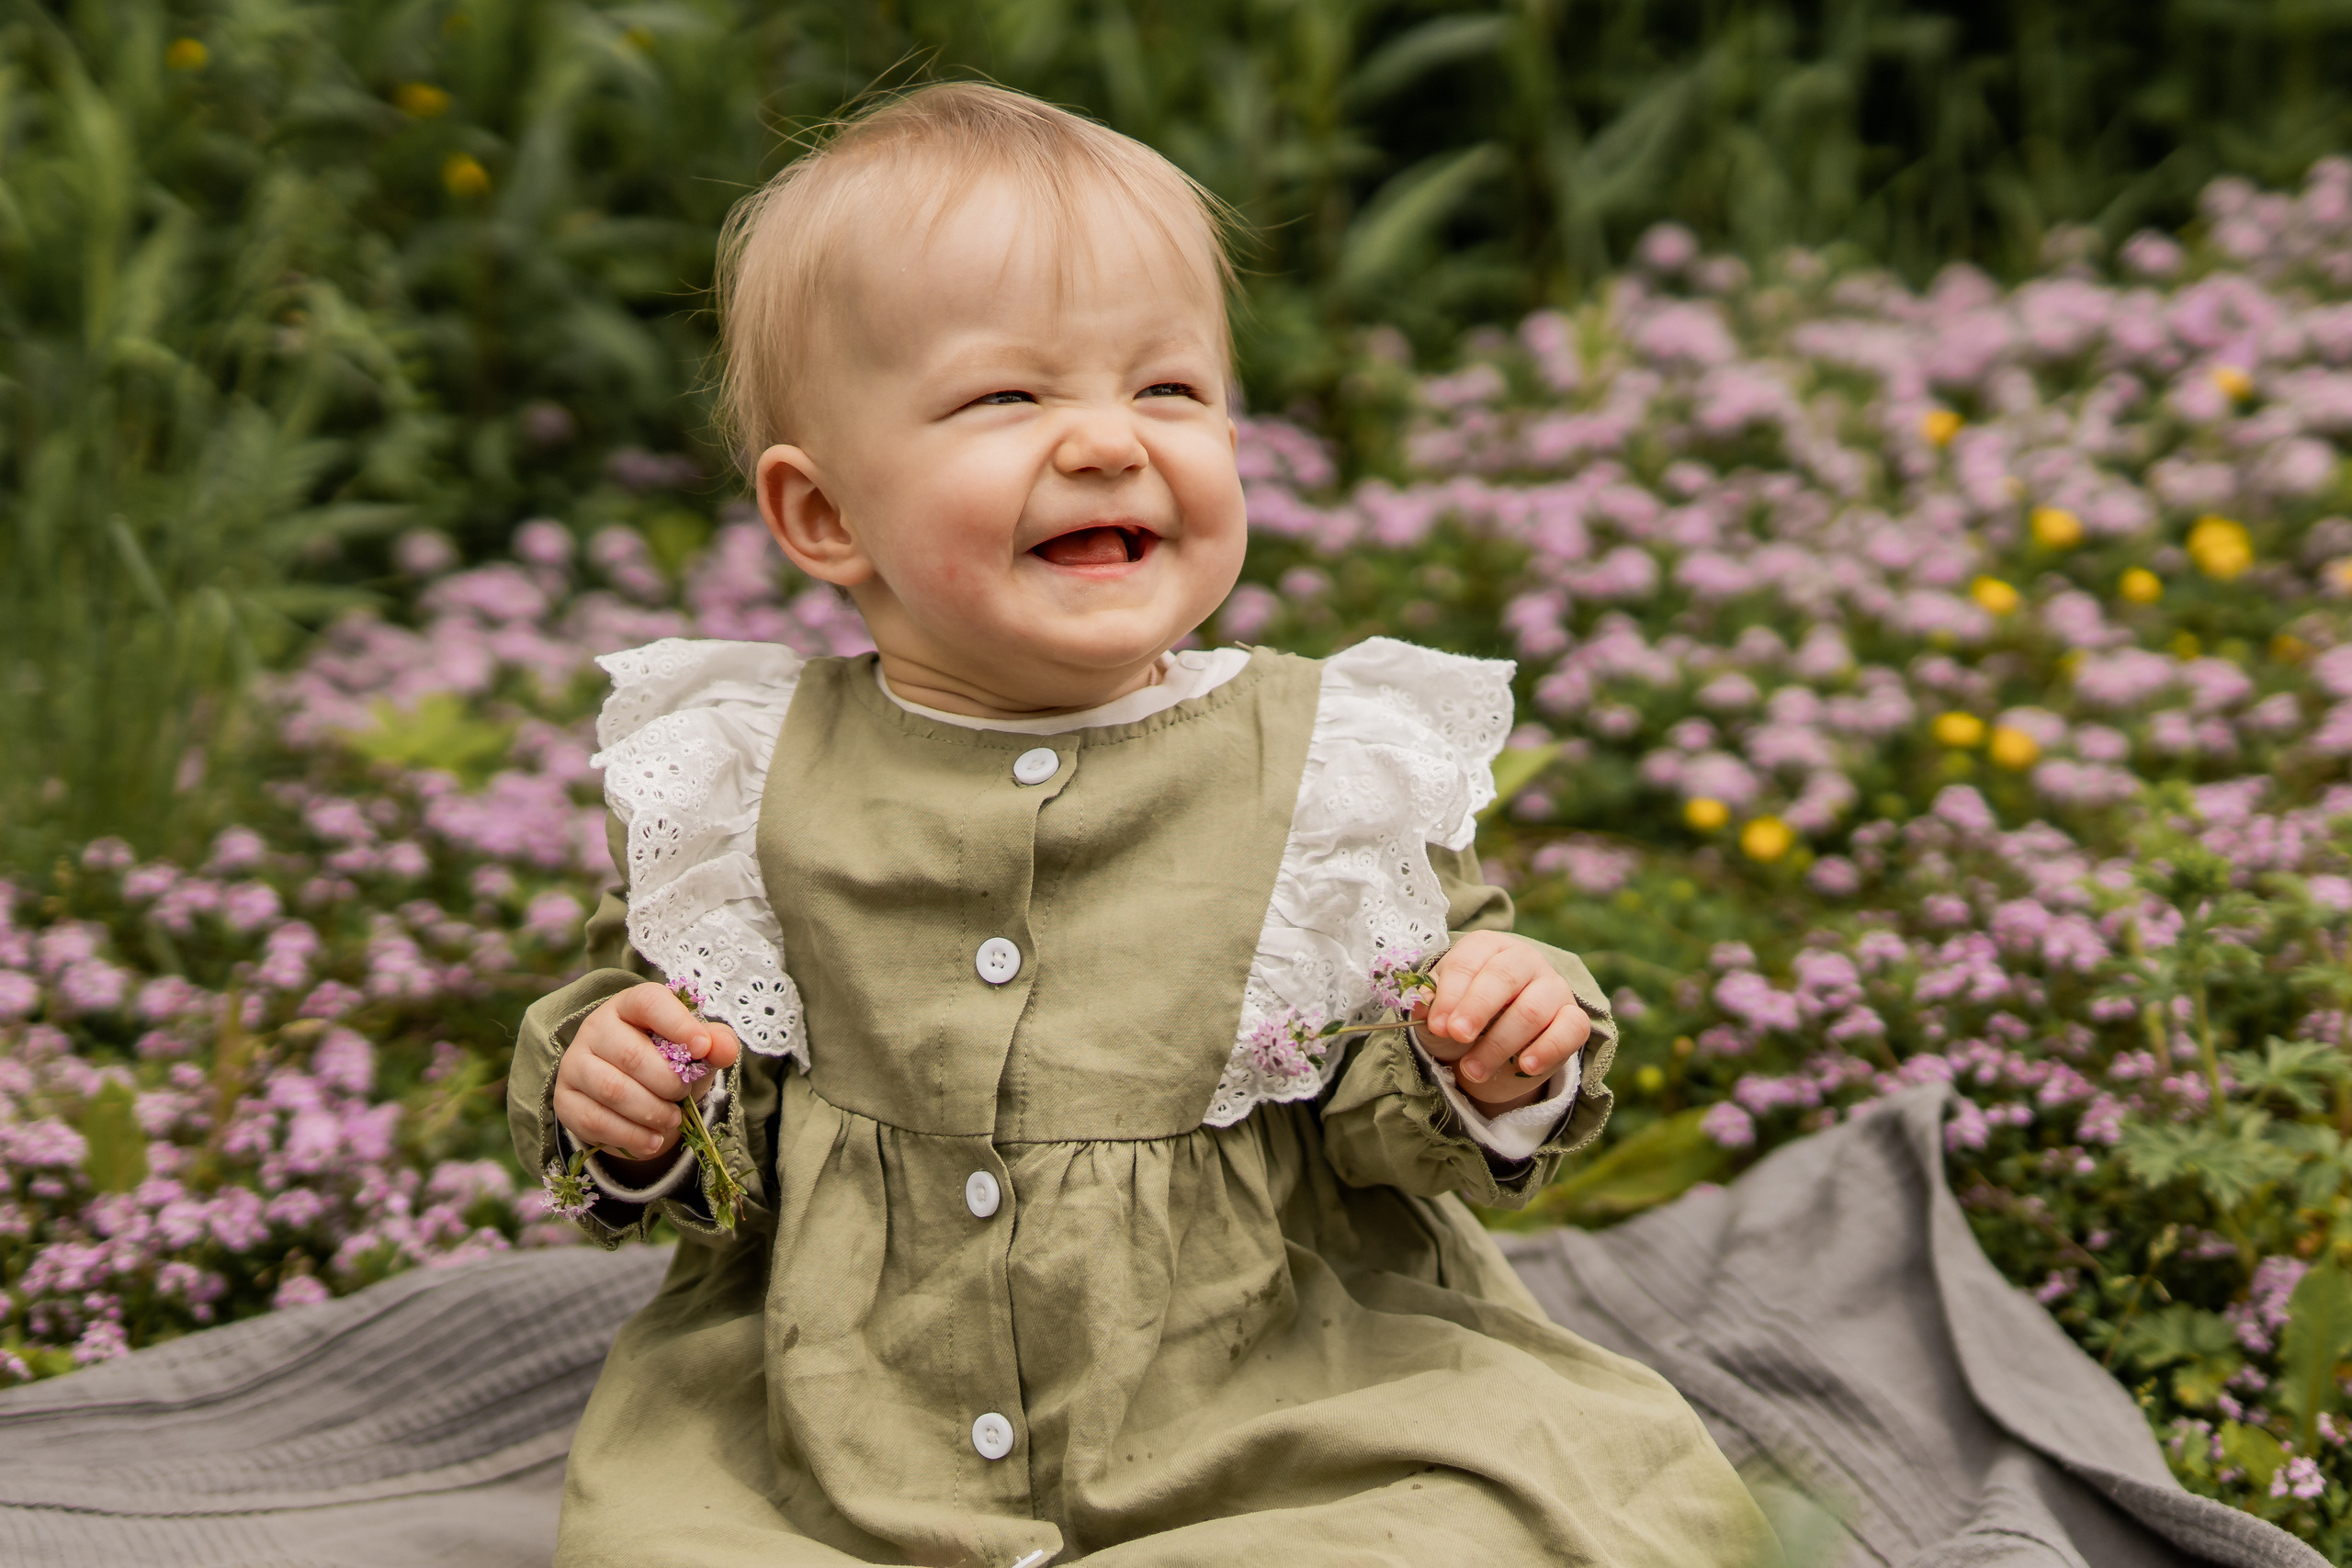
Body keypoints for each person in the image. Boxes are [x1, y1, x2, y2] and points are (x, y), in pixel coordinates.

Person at [509, 81, 1778, 1568]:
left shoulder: (1324, 771)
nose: (1110, 440)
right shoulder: (746, 781)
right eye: (1009, 397)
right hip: (847, 1419)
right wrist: (635, 1093)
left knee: (1487, 1521)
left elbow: (1389, 1114)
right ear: (823, 517)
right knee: (669, 1543)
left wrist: (1485, 1052)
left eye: (1168, 390)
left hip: (1273, 1395)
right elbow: (690, 1074)